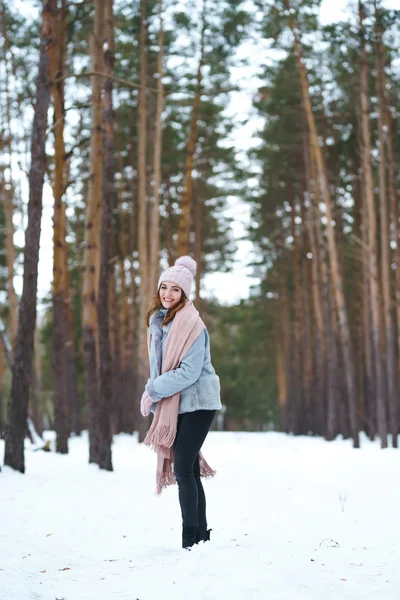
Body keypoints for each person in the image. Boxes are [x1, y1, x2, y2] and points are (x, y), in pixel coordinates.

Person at [140, 256, 221, 549]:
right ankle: (200, 536)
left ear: (184, 293)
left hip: (200, 401)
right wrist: (153, 391)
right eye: (164, 287)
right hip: (179, 403)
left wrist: (153, 389)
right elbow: (160, 368)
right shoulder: (160, 323)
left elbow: (189, 372)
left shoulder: (192, 324)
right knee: (188, 468)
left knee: (184, 467)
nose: (168, 293)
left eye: (175, 289)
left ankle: (191, 540)